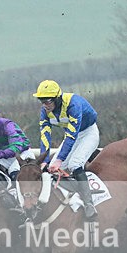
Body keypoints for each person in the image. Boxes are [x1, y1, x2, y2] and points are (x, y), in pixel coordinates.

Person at [33, 79, 99, 219]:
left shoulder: (73, 104)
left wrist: (60, 159)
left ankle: (89, 204)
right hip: (72, 137)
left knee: (75, 164)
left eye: (48, 101)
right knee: (51, 168)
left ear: (57, 98)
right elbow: (45, 137)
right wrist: (44, 161)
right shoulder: (45, 111)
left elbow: (71, 135)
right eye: (42, 101)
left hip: (88, 133)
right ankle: (71, 195)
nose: (45, 105)